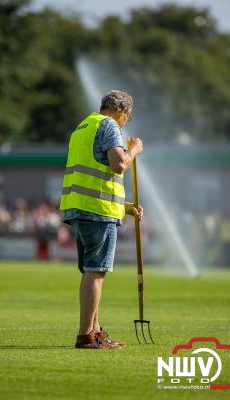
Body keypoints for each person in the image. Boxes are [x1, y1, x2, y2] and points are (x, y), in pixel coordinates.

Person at [60, 90, 143, 349]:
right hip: (98, 211)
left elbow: (93, 175)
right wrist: (134, 150)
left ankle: (95, 332)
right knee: (96, 271)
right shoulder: (110, 126)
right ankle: (86, 335)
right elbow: (118, 164)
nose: (126, 121)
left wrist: (126, 207)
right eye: (128, 115)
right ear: (123, 111)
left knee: (90, 270)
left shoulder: (83, 126)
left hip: (80, 208)